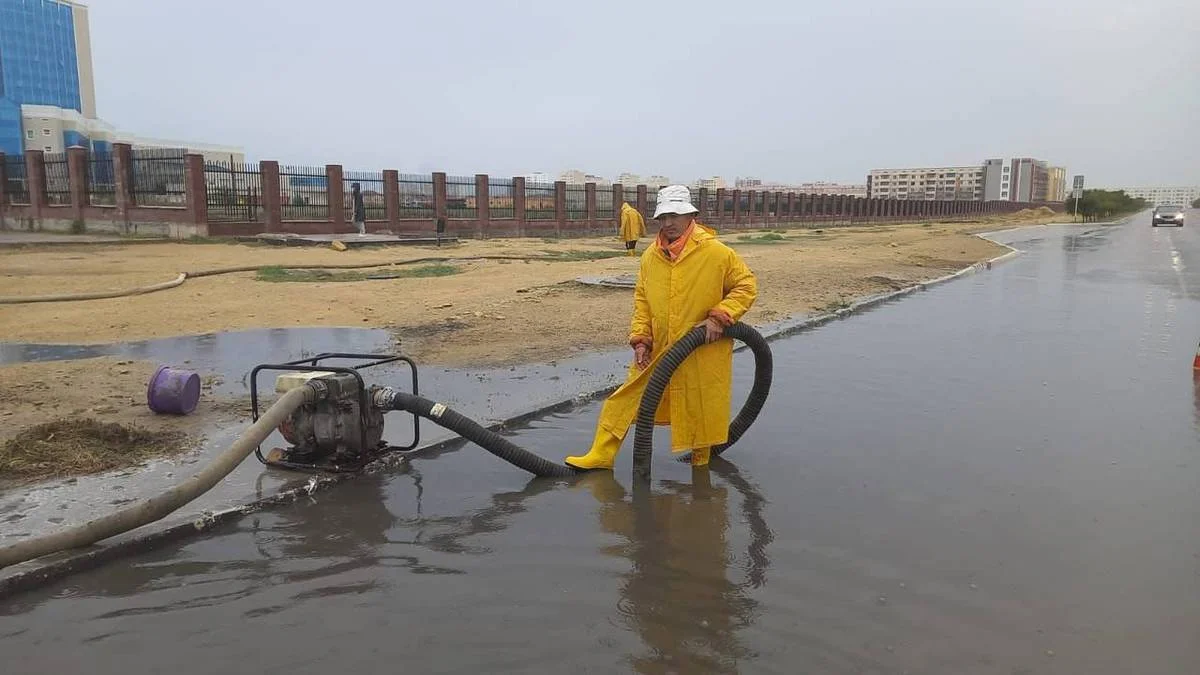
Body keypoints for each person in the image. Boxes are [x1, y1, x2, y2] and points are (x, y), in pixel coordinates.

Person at [565, 185, 757, 470]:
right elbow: (642, 301)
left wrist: (720, 317)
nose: (668, 223)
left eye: (674, 216)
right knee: (624, 398)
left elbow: (746, 286)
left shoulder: (717, 253)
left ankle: (700, 466)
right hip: (659, 347)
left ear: (690, 215)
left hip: (700, 348)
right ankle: (601, 455)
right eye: (663, 217)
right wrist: (641, 338)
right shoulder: (650, 258)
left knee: (699, 407)